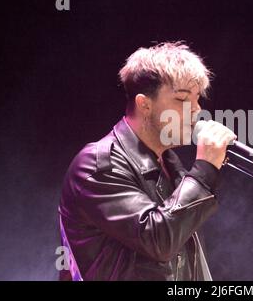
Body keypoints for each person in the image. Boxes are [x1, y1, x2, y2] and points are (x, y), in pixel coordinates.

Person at [58, 42, 236, 281]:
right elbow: (158, 239)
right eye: (183, 100)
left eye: (197, 99)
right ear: (145, 104)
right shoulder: (97, 166)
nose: (196, 110)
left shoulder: (171, 167)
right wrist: (204, 171)